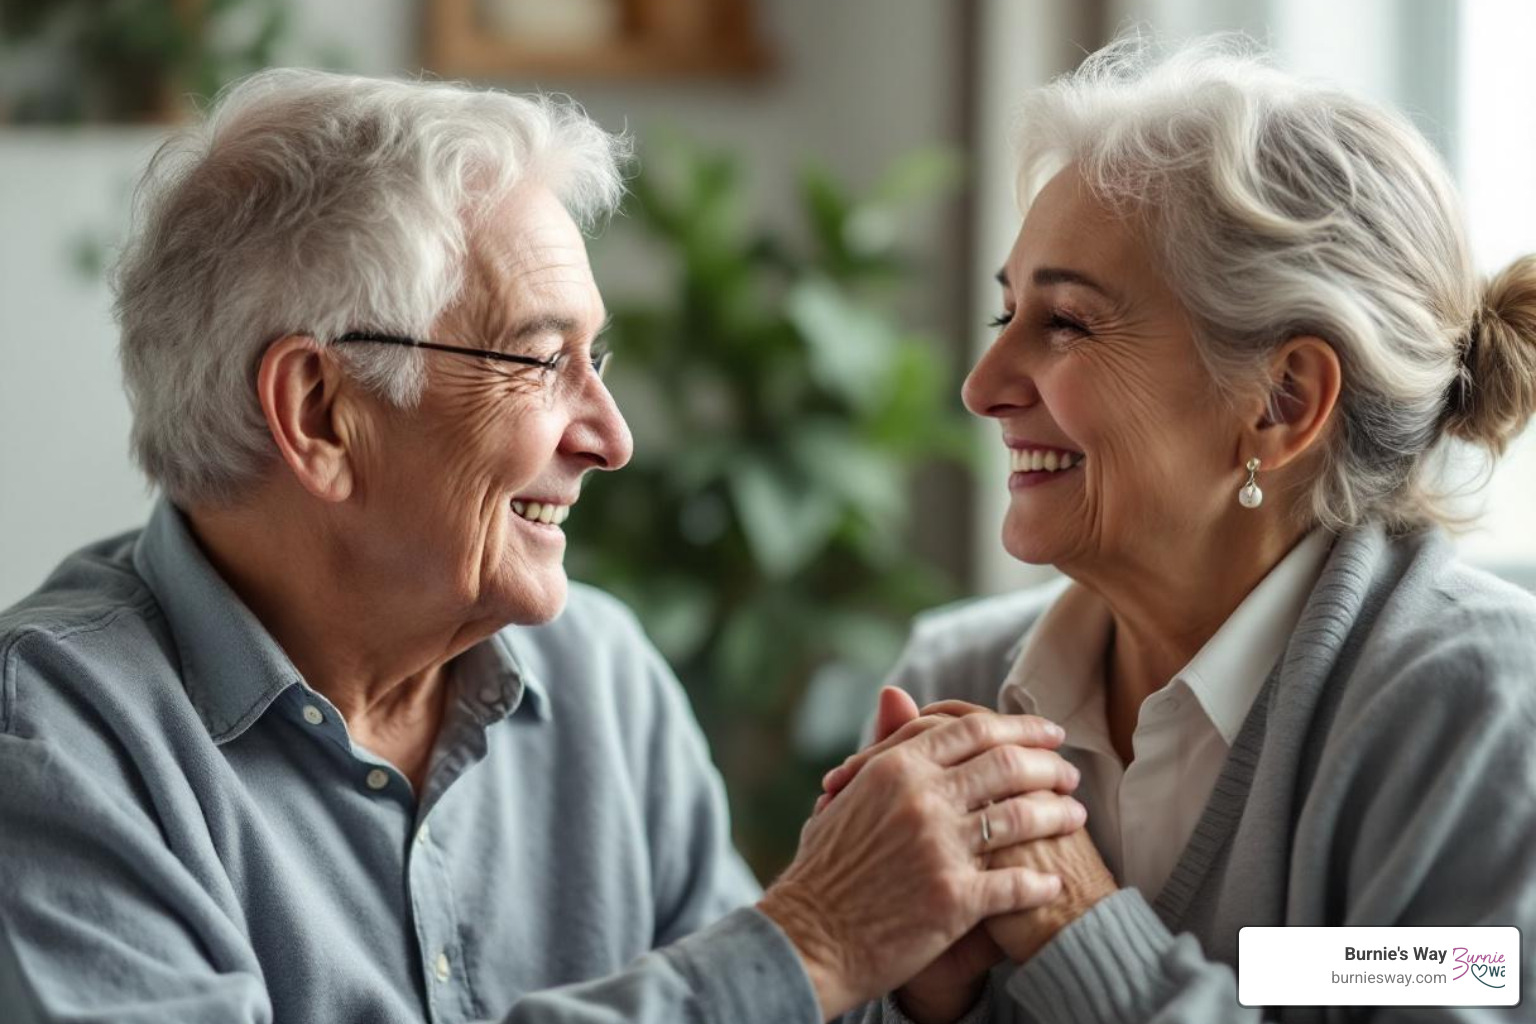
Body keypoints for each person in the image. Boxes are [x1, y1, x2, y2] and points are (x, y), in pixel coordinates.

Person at [0, 70, 1086, 1023]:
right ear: (321, 411)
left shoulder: (602, 677)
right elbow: (766, 973)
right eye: (539, 360)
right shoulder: (53, 747)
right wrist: (810, 943)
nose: (613, 437)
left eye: (597, 358)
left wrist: (909, 977)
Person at [821, 35, 1536, 1022]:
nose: (982, 388)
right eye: (1007, 314)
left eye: (1066, 323)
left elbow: (1400, 984)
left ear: (1282, 400)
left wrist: (1078, 927)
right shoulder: (953, 681)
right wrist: (918, 997)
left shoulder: (1482, 700)